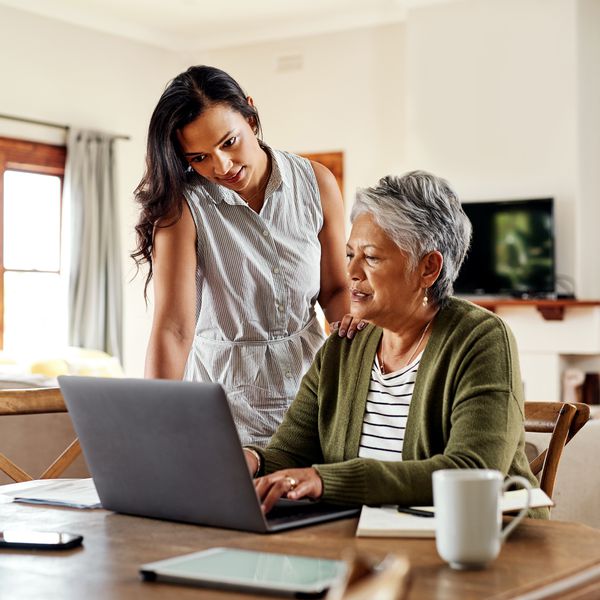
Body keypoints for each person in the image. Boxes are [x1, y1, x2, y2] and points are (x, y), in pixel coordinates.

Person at [243, 170, 548, 518]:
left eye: (371, 257)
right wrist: (253, 460)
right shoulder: (344, 345)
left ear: (428, 268)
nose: (351, 272)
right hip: (364, 540)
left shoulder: (482, 339)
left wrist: (326, 480)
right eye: (349, 255)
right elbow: (290, 453)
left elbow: (473, 470)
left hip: (480, 542)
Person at [132, 65, 362, 446]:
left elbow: (336, 289)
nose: (221, 167)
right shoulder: (182, 209)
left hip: (313, 404)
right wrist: (155, 431)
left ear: (251, 118)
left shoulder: (316, 182)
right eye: (199, 157)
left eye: (229, 142)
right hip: (225, 415)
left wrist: (361, 371)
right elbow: (173, 329)